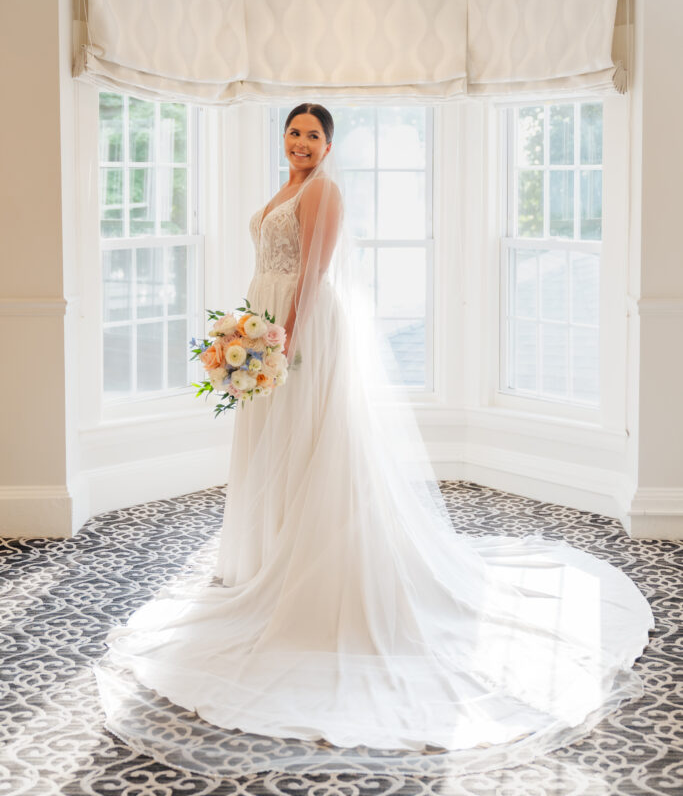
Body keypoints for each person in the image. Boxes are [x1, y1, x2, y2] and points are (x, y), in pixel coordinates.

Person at [94, 103, 655, 780]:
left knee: (308, 443)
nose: (301, 143)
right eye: (294, 132)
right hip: (264, 319)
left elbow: (313, 272)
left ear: (329, 145)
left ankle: (310, 557)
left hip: (298, 328)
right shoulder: (285, 186)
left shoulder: (324, 190)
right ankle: (267, 549)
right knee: (271, 442)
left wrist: (283, 341)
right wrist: (249, 327)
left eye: (312, 135)